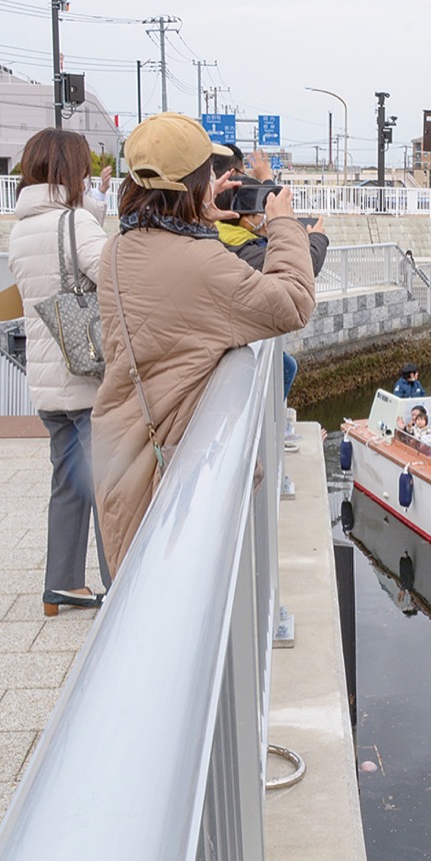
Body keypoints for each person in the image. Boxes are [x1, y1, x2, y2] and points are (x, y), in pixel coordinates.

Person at [92, 112, 315, 577]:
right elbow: (293, 302)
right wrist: (284, 224)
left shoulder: (119, 246)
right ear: (196, 183)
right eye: (208, 176)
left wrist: (197, 213)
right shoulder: (201, 262)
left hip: (120, 454)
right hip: (168, 473)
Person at [8, 128, 112, 614]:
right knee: (110, 486)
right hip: (88, 378)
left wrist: (92, 210)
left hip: (48, 384)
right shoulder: (75, 222)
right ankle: (124, 585)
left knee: (69, 483)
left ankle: (62, 584)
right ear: (73, 172)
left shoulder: (22, 227)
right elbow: (111, 277)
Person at [213, 175, 328, 402]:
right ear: (244, 218)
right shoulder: (243, 250)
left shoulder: (222, 236)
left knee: (287, 365)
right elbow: (303, 271)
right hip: (229, 345)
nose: (265, 218)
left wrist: (266, 178)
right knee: (287, 368)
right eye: (260, 213)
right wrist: (317, 238)